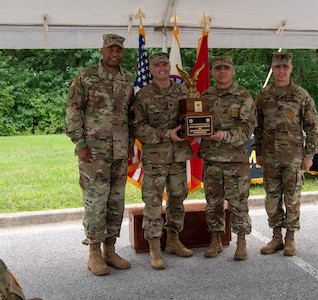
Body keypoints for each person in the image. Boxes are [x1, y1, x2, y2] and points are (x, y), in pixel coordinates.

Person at [65, 34, 134, 276]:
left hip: (120, 151)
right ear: (102, 50)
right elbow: (73, 110)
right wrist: (80, 142)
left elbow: (129, 113)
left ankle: (110, 250)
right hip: (94, 153)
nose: (115, 53)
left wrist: (131, 144)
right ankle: (94, 252)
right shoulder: (86, 76)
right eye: (110, 49)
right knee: (96, 203)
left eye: (119, 50)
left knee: (116, 202)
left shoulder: (127, 78)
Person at [252, 52, 318, 256]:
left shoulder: (301, 95)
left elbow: (313, 127)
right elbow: (258, 126)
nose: (281, 70)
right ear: (272, 69)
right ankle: (276, 237)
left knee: (292, 198)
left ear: (290, 69)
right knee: (272, 198)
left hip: (293, 158)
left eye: (285, 67)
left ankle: (290, 238)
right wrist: (258, 150)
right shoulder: (264, 95)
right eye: (277, 67)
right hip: (270, 156)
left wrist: (309, 155)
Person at [131, 52, 194, 270]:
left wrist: (193, 130)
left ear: (169, 66)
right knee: (154, 201)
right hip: (156, 157)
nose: (162, 68)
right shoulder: (143, 96)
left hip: (178, 156)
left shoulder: (182, 91)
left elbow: (191, 118)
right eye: (157, 65)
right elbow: (138, 127)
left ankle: (174, 240)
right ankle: (155, 247)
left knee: (178, 197)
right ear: (151, 69)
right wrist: (166, 134)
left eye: (165, 64)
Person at [198, 56, 257, 260]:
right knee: (213, 202)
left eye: (226, 68)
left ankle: (241, 241)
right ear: (213, 72)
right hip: (212, 159)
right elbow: (196, 121)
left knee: (238, 202)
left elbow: (247, 127)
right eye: (218, 68)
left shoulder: (243, 96)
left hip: (235, 161)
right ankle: (216, 240)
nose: (222, 72)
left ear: (232, 71)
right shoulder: (205, 96)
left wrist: (225, 136)